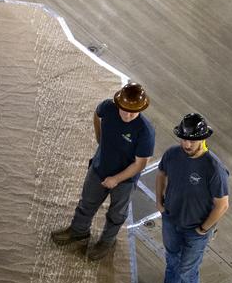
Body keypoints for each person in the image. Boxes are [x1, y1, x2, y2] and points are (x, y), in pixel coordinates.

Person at [50, 82, 155, 261]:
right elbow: (97, 115)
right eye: (125, 109)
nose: (129, 115)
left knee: (116, 214)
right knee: (86, 203)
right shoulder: (108, 107)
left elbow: (139, 165)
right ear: (118, 104)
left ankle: (107, 241)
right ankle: (79, 231)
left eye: (134, 112)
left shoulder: (145, 132)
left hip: (124, 181)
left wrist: (116, 179)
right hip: (99, 168)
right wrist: (100, 138)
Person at [146, 113, 230, 283]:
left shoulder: (213, 168)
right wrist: (159, 202)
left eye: (191, 140)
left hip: (196, 230)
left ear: (202, 138)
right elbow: (161, 174)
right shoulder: (173, 154)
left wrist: (203, 229)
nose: (187, 143)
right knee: (171, 256)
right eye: (183, 138)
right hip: (171, 219)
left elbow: (222, 204)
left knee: (188, 270)